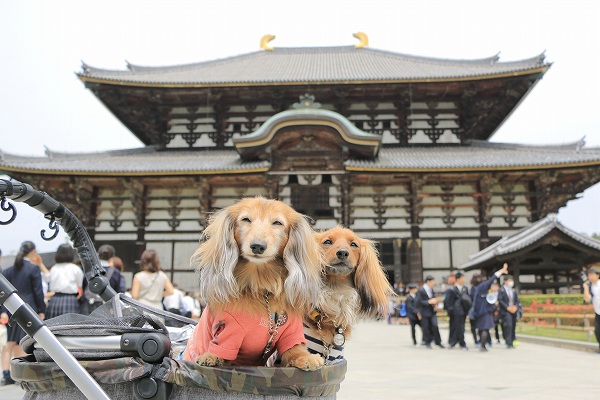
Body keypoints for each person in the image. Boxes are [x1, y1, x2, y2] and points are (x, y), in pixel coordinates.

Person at [0, 241, 46, 386]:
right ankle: (23, 374)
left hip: (10, 308)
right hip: (28, 308)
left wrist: (2, 311)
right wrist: (41, 310)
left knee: (9, 343)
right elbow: (38, 292)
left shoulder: (8, 270)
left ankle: (7, 374)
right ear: (32, 251)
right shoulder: (33, 269)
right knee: (25, 342)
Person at [471, 263, 509, 352]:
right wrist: (501, 271)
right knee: (485, 328)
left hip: (478, 312)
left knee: (481, 328)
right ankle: (483, 345)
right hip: (485, 311)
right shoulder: (483, 287)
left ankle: (482, 344)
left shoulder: (475, 289)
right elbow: (493, 278)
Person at [43, 244, 84, 320]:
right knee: (70, 326)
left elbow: (47, 280)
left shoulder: (54, 268)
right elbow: (80, 286)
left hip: (55, 300)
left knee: (54, 325)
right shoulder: (76, 269)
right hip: (71, 300)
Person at [85, 244, 124, 314]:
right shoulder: (115, 272)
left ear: (98, 255)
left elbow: (84, 286)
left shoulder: (90, 270)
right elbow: (120, 290)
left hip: (90, 304)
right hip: (108, 306)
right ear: (112, 257)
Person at [415, 276, 444, 348]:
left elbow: (434, 298)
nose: (434, 283)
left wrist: (436, 305)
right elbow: (418, 302)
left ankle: (438, 341)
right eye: (433, 281)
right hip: (424, 312)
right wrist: (428, 302)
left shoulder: (431, 290)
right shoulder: (421, 290)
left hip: (432, 311)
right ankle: (427, 342)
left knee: (435, 325)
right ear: (428, 281)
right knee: (426, 327)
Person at [444, 271, 469, 350]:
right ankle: (452, 342)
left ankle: (462, 342)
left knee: (461, 327)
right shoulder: (452, 290)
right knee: (453, 327)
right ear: (457, 279)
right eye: (462, 278)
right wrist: (450, 311)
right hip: (454, 312)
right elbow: (448, 301)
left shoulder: (465, 289)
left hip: (463, 311)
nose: (463, 280)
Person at [498, 274, 520, 349]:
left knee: (513, 325)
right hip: (506, 311)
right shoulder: (501, 290)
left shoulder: (513, 290)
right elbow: (500, 300)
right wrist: (507, 307)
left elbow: (517, 300)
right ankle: (508, 342)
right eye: (509, 280)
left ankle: (513, 340)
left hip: (513, 310)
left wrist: (515, 307)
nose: (511, 282)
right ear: (505, 281)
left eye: (512, 280)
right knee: (508, 325)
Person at [583, 265, 600, 353]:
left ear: (598, 275)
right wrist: (585, 289)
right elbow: (587, 300)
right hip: (598, 313)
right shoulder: (590, 287)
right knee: (597, 331)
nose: (590, 277)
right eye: (589, 275)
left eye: (592, 275)